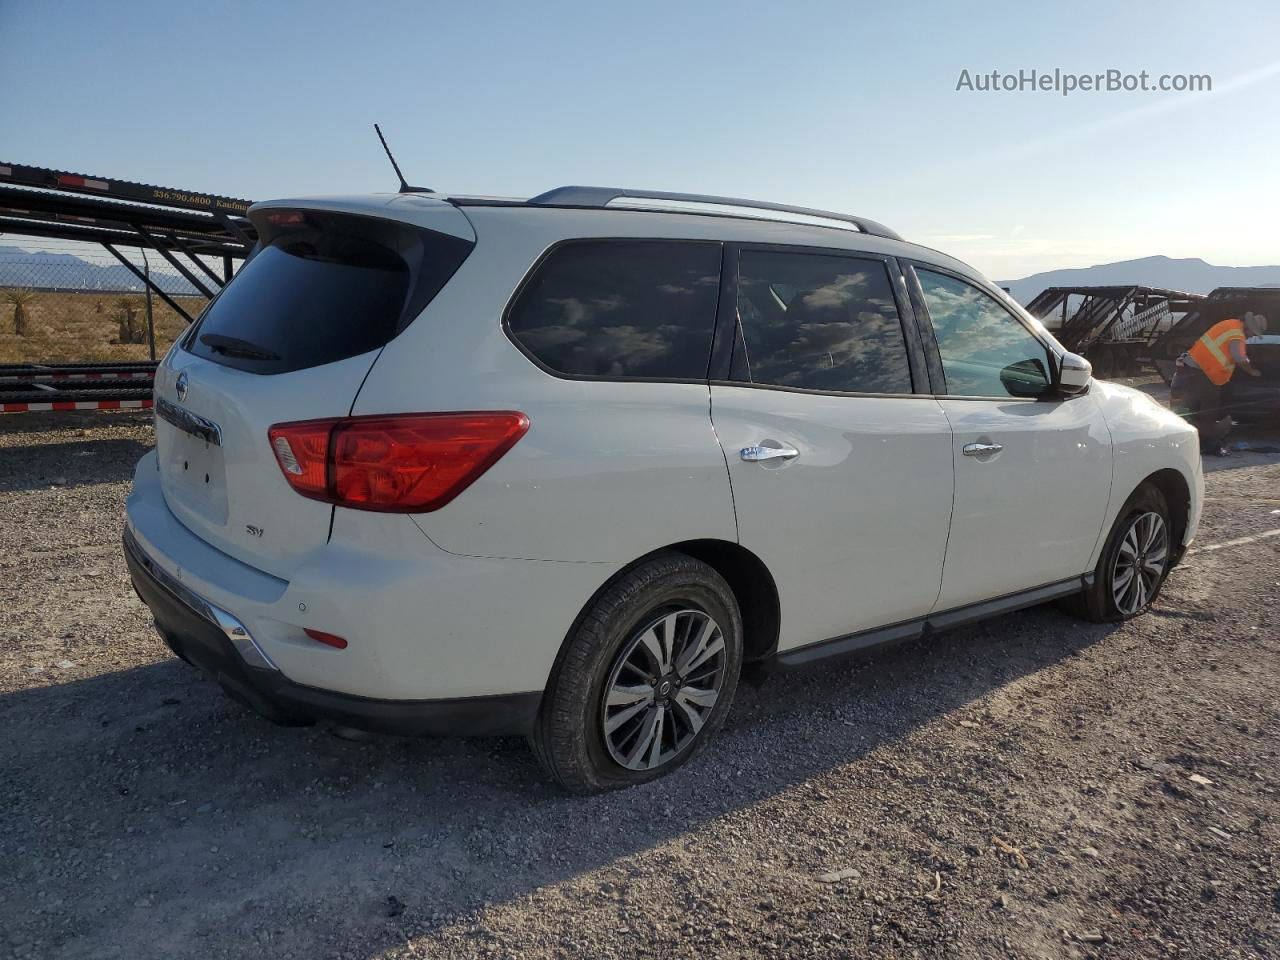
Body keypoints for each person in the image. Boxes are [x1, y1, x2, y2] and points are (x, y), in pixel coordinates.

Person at [1170, 311, 1267, 455]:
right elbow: (1239, 358)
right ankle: (1207, 444)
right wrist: (1252, 371)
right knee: (1209, 410)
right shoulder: (1237, 335)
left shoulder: (1229, 324)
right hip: (1205, 373)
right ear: (1248, 327)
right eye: (1253, 333)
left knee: (1189, 408)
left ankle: (1180, 438)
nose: (1252, 336)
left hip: (1192, 366)